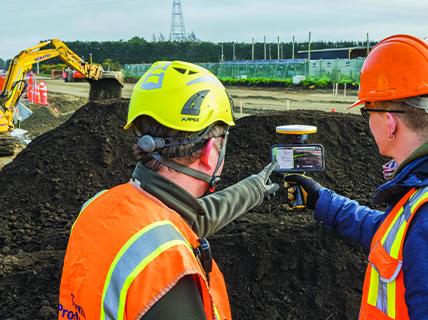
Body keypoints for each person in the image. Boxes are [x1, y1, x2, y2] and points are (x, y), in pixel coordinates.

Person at [285, 34, 428, 320]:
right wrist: (321, 201)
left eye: (368, 109)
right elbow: (394, 235)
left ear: (389, 122)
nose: (367, 119)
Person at [59, 61, 279, 320]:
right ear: (209, 153)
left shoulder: (97, 206)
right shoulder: (168, 270)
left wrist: (253, 188)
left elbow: (186, 218)